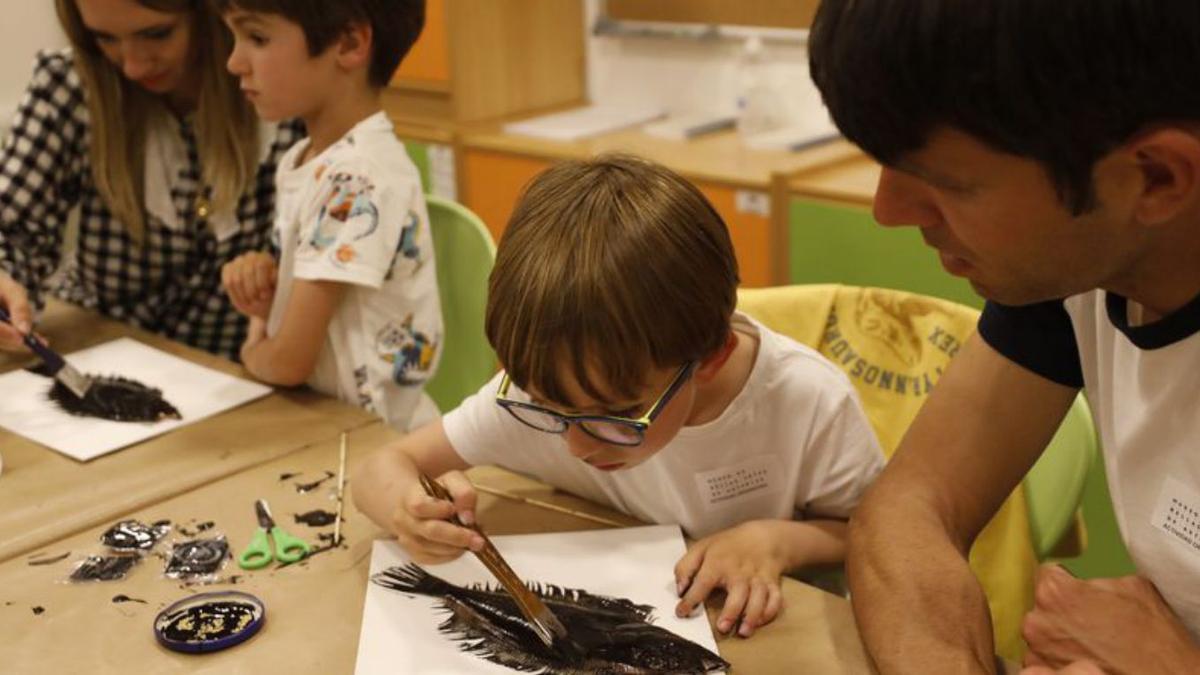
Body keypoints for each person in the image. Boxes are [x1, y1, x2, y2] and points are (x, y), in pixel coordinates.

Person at [808, 1, 1200, 673]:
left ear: (1156, 177)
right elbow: (910, 505)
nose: (888, 210)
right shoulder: (1081, 268)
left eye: (945, 183)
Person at [352, 154, 885, 637]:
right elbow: (383, 465)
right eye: (552, 410)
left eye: (619, 416)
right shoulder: (550, 392)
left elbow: (872, 535)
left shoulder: (807, 402)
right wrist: (406, 510)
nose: (578, 446)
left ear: (711, 358)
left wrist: (775, 541)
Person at [0, 0, 304, 360]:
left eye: (157, 34)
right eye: (104, 38)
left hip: (236, 372)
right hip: (94, 348)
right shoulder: (69, 82)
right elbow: (13, 229)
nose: (132, 65)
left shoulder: (288, 95)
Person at [216, 0, 442, 431]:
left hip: (370, 437)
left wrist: (251, 351)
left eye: (257, 38)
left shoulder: (357, 177)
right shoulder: (306, 160)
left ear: (350, 43)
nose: (234, 62)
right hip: (324, 421)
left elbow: (287, 363)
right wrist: (269, 299)